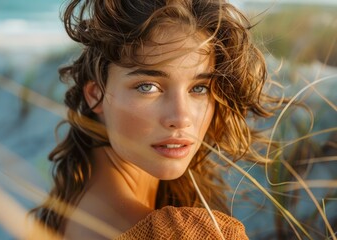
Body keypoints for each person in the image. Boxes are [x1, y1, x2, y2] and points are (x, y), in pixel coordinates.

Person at [31, 0, 281, 239]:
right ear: (96, 95)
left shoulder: (68, 207)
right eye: (147, 87)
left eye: (199, 88)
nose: (181, 118)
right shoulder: (183, 234)